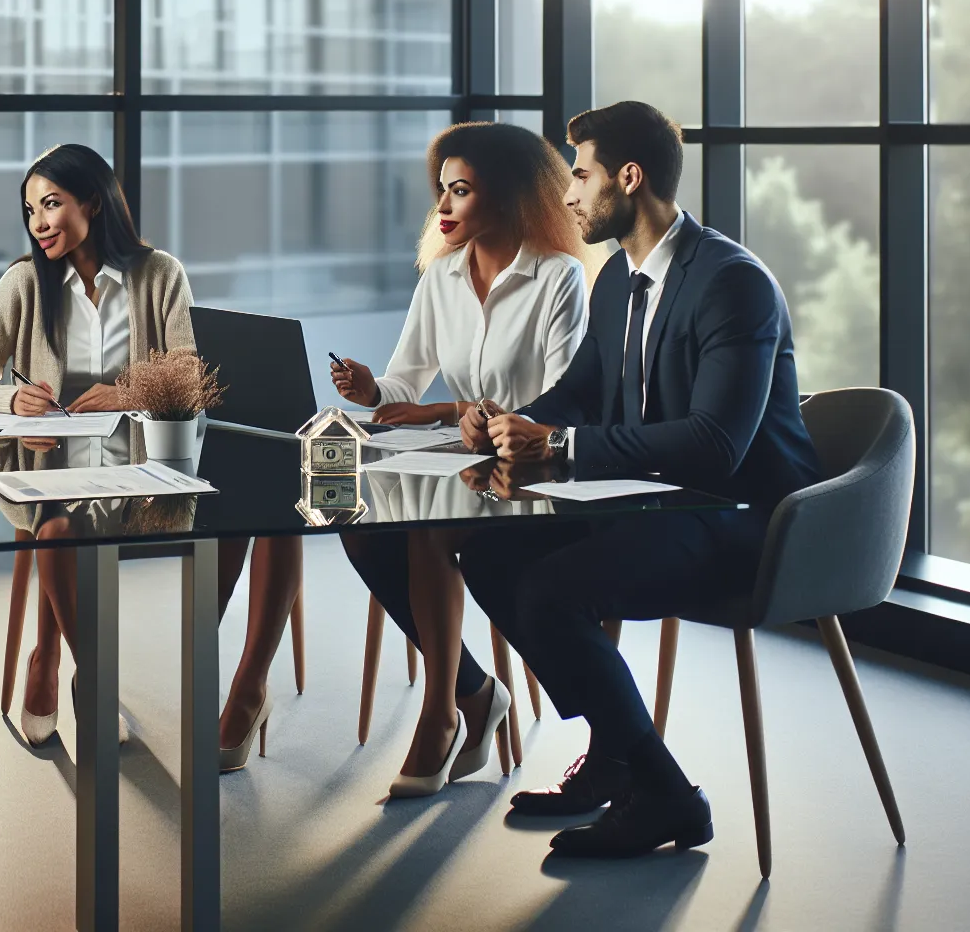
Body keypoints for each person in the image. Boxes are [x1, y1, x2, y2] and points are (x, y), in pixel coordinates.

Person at [455, 101, 823, 858]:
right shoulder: (617, 279)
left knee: (550, 592)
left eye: (581, 176)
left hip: (744, 519)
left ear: (629, 177)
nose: (568, 196)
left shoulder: (733, 283)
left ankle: (662, 793)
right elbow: (581, 395)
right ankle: (621, 752)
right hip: (652, 505)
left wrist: (562, 445)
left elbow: (716, 444)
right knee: (483, 547)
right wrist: (507, 422)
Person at [0, 144, 301, 767]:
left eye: (52, 204)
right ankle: (81, 671)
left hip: (149, 471)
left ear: (92, 202)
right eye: (30, 210)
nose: (39, 222)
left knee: (258, 509)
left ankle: (78, 658)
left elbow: (190, 368)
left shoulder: (159, 273)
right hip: (55, 467)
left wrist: (129, 389)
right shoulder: (24, 282)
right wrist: (13, 404)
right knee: (56, 525)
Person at [328, 121, 595, 796]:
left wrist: (465, 416)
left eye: (462, 191)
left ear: (508, 197)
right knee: (358, 527)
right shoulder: (442, 276)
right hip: (465, 464)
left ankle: (440, 715)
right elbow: (404, 385)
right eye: (441, 191)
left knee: (424, 525)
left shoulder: (557, 277)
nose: (443, 208)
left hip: (534, 472)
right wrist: (368, 388)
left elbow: (569, 400)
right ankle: (474, 693)